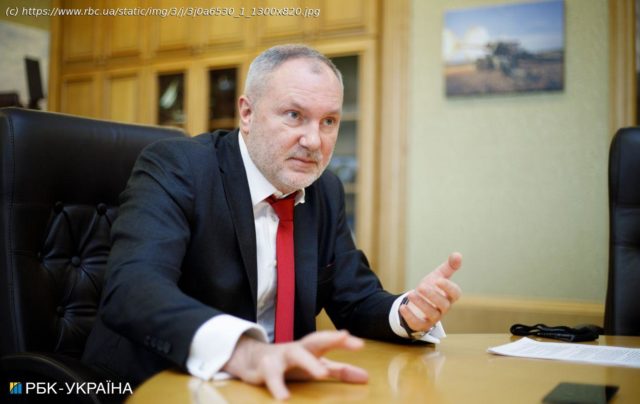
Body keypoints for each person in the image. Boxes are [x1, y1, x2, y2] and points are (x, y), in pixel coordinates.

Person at [82, 44, 462, 400]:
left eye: (329, 121)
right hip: (161, 382)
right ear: (247, 114)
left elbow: (355, 297)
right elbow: (133, 289)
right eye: (294, 115)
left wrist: (405, 313)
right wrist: (246, 352)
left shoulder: (324, 189)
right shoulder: (178, 167)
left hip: (276, 388)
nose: (314, 141)